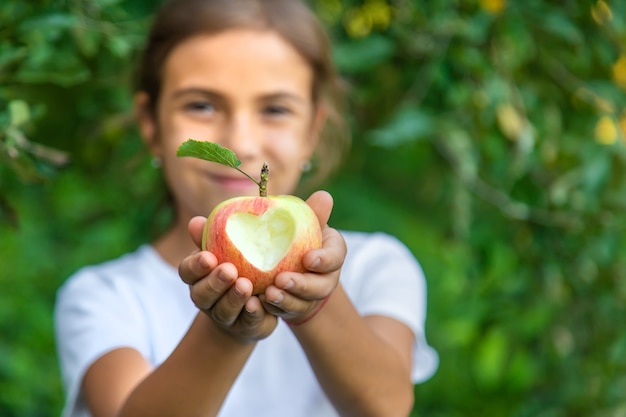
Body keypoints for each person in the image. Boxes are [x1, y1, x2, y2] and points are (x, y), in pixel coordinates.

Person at [54, 0, 438, 416]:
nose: (240, 142)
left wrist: (318, 303)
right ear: (152, 125)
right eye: (201, 105)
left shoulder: (375, 267)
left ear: (312, 130)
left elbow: (386, 406)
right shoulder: (106, 297)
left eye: (275, 109)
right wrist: (227, 332)